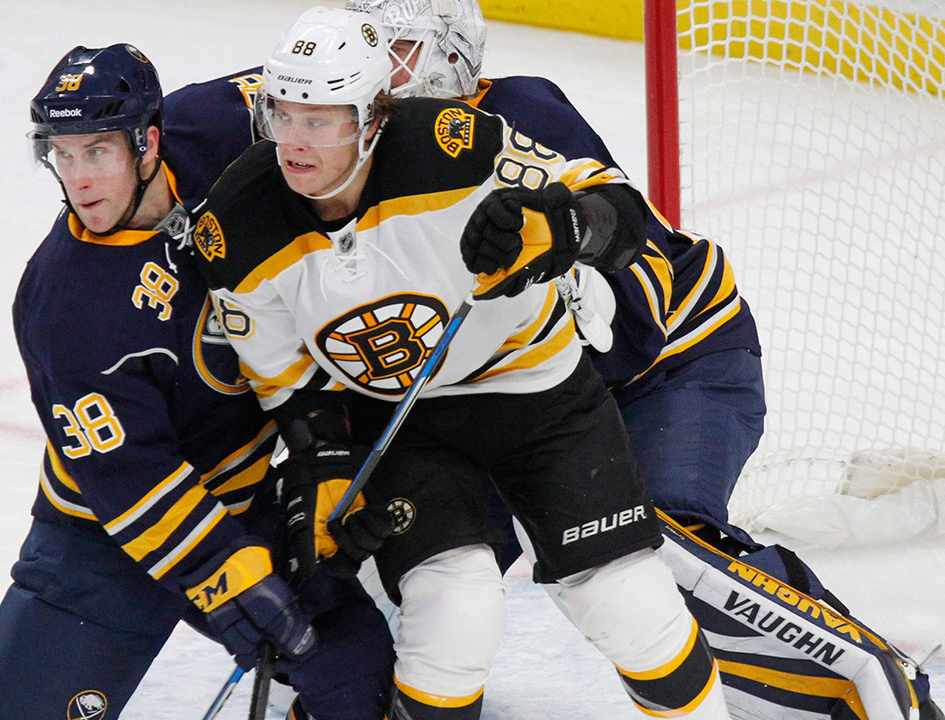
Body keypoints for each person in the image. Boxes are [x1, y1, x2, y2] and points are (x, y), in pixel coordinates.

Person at [345, 2, 941, 718]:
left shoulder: (518, 116)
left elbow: (638, 301)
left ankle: (872, 690)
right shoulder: (343, 151)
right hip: (509, 400)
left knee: (652, 553)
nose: (375, 67)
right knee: (394, 581)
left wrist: (571, 267)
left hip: (668, 369)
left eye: (399, 49)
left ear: (451, 55)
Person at [192, 7, 732, 720]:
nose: (293, 141)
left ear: (372, 118)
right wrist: (321, 473)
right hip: (402, 422)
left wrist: (558, 227)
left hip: (538, 393)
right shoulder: (234, 225)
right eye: (282, 114)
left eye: (318, 120)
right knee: (455, 609)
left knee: (627, 602)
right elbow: (289, 384)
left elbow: (618, 208)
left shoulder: (456, 145)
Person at [0, 43, 395, 720]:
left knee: (360, 679)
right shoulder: (64, 305)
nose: (79, 180)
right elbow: (129, 476)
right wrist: (229, 574)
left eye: (97, 152)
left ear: (148, 143)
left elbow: (335, 92)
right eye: (63, 155)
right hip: (103, 540)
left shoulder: (214, 127)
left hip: (245, 498)